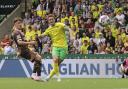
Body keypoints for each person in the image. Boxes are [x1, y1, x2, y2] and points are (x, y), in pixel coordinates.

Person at [41, 14, 69, 82]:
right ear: (48, 21)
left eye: (52, 19)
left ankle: (48, 77)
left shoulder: (60, 25)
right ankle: (58, 77)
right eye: (49, 20)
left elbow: (68, 28)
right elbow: (43, 34)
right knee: (55, 60)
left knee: (57, 64)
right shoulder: (48, 29)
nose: (51, 21)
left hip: (64, 47)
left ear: (54, 19)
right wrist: (39, 36)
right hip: (55, 47)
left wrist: (71, 34)